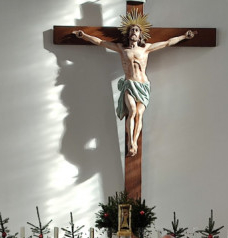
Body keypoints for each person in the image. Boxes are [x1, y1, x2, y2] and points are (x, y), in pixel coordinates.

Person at [73, 12, 196, 156]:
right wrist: (84, 36)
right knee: (132, 110)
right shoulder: (121, 48)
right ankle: (130, 142)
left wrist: (184, 36)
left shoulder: (146, 48)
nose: (134, 32)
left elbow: (167, 43)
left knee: (139, 113)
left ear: (140, 34)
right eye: (132, 30)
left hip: (143, 86)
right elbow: (101, 42)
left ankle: (135, 142)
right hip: (129, 84)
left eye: (137, 30)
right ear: (128, 33)